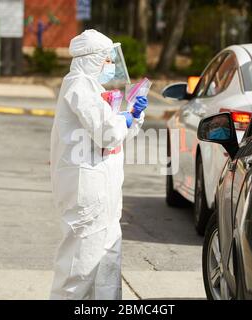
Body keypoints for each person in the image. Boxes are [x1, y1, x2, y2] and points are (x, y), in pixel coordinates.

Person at [49, 29, 148, 300]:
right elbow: (107, 132)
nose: (111, 65)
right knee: (79, 268)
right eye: (107, 59)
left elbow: (114, 137)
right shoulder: (78, 84)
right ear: (92, 58)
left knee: (106, 263)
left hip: (104, 192)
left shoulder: (93, 89)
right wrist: (124, 120)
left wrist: (134, 117)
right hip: (87, 192)